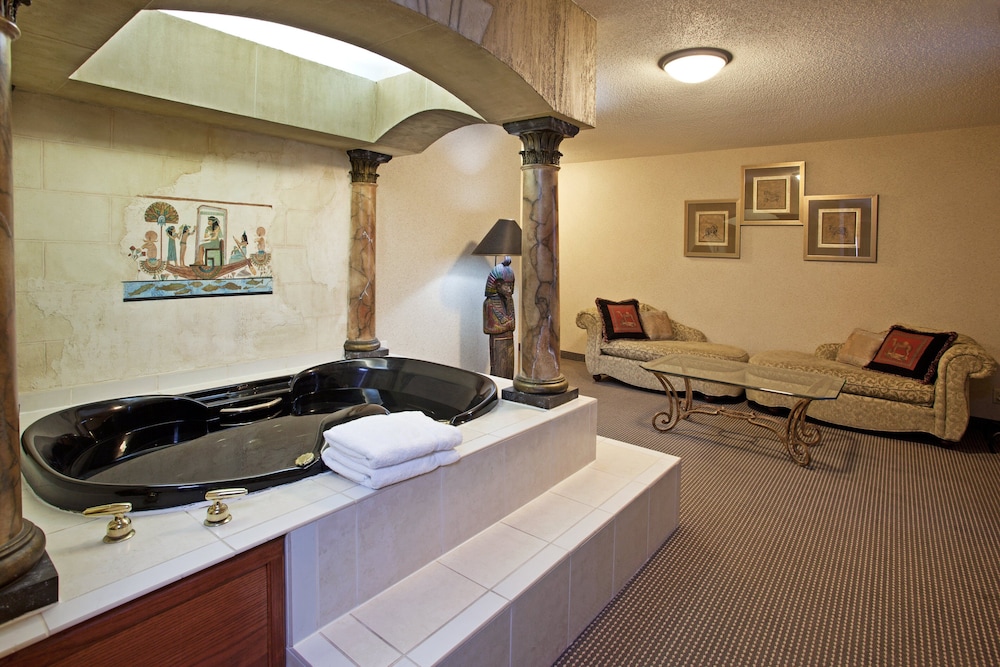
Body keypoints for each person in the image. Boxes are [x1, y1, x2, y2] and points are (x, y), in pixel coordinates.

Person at [482, 258, 516, 379]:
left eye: (511, 285)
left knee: (509, 370)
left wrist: (508, 325)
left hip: (509, 342)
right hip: (498, 343)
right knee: (499, 370)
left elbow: (513, 325)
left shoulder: (509, 301)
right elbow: (487, 328)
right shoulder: (489, 303)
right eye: (507, 286)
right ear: (498, 285)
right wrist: (506, 326)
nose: (510, 289)